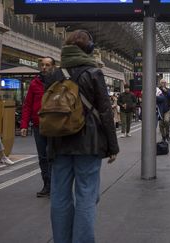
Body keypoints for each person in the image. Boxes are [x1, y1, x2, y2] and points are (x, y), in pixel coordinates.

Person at [45, 30, 119, 243]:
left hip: (59, 142)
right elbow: (105, 111)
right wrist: (112, 147)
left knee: (59, 197)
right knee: (87, 196)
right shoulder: (93, 73)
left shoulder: (54, 75)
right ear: (89, 49)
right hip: (89, 143)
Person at [20, 56, 55, 197]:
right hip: (38, 125)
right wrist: (23, 125)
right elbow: (27, 105)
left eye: (47, 65)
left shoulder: (58, 83)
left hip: (54, 125)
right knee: (42, 156)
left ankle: (55, 184)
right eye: (42, 65)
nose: (44, 67)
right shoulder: (35, 83)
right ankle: (47, 184)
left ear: (53, 66)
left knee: (53, 155)